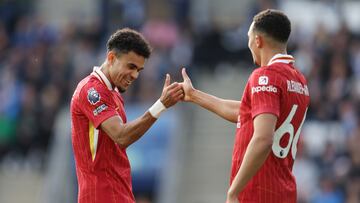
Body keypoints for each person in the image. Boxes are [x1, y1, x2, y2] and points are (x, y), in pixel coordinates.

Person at [180, 9, 310, 203]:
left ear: (257, 41)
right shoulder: (299, 81)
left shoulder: (265, 76)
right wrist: (194, 96)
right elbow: (245, 112)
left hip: (258, 192)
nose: (248, 44)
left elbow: (263, 138)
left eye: (249, 38)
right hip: (283, 191)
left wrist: (234, 191)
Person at [70, 28, 183, 203]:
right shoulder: (91, 91)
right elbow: (121, 136)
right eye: (131, 66)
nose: (135, 75)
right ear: (111, 58)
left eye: (139, 70)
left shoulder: (113, 94)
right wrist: (161, 105)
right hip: (101, 195)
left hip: (119, 193)